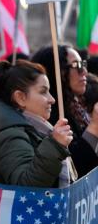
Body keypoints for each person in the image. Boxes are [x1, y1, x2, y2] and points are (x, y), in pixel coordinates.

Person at [0, 60, 75, 188]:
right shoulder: (9, 136)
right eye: (43, 91)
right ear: (20, 97)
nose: (52, 99)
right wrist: (55, 146)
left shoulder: (31, 129)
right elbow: (26, 186)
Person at [32, 45, 98, 176]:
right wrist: (94, 127)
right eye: (77, 65)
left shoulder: (77, 105)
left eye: (83, 64)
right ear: (59, 72)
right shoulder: (49, 112)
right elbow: (73, 168)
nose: (84, 71)